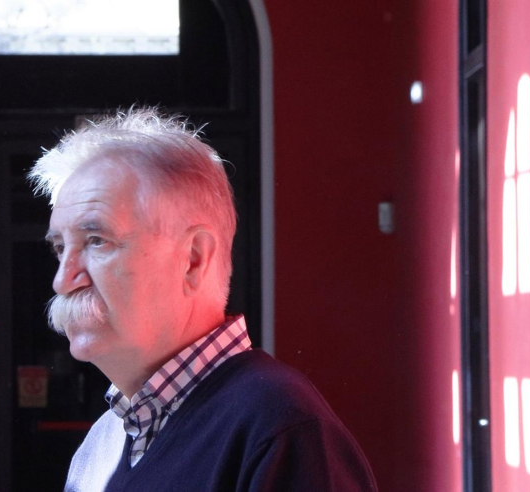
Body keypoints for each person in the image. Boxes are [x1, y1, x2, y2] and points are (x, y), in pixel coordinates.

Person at [29, 107, 377, 492]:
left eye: (97, 241)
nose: (63, 280)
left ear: (193, 259)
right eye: (60, 248)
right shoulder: (100, 445)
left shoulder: (282, 430)